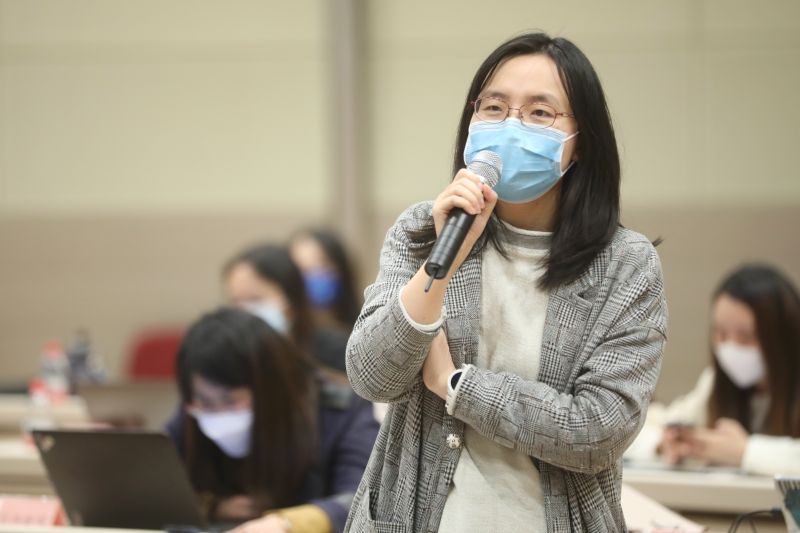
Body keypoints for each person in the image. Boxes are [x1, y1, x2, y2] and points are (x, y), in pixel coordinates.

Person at [344, 32, 667, 533]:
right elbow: (372, 376)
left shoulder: (625, 265)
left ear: (581, 141)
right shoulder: (422, 230)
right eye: (494, 107)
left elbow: (598, 431)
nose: (511, 126)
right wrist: (443, 264)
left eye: (540, 112)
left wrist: (456, 386)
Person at [167, 307, 379, 533]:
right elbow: (156, 485)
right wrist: (211, 506)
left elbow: (364, 500)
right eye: (206, 401)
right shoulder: (197, 413)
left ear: (269, 390)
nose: (217, 412)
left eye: (230, 401)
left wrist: (287, 524)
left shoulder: (341, 412)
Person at [628, 264, 800, 475]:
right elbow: (641, 426)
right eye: (721, 334)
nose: (730, 347)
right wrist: (665, 444)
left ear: (782, 338)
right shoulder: (714, 383)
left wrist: (745, 452)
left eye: (746, 336)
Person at [224, 243, 349, 374]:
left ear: (291, 296)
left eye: (254, 299)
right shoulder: (232, 360)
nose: (244, 310)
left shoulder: (338, 351)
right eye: (236, 301)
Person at [289, 229, 362, 332]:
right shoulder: (288, 338)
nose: (315, 274)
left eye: (322, 265)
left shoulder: (367, 329)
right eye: (303, 269)